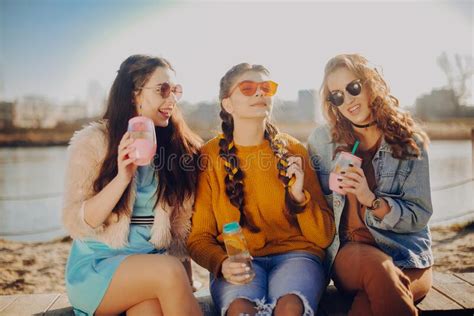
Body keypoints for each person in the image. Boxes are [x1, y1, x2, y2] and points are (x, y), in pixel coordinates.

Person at [187, 63, 335, 316]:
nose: (259, 93)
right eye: (247, 88)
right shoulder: (209, 157)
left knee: (290, 307)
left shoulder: (293, 151)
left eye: (266, 88)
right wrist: (221, 264)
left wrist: (299, 198)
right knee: (241, 310)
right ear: (228, 105)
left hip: (297, 256)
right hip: (237, 261)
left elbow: (323, 237)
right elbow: (198, 238)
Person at [62, 54, 203, 316]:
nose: (171, 99)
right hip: (97, 267)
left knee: (150, 309)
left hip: (150, 269)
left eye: (175, 90)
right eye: (163, 90)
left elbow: (179, 232)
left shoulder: (177, 148)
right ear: (133, 95)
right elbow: (78, 221)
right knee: (168, 270)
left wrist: (187, 280)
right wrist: (122, 178)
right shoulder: (94, 142)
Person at [308, 53, 433, 316]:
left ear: (370, 83)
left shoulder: (409, 142)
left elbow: (419, 215)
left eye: (353, 87)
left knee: (370, 302)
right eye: (337, 95)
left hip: (406, 254)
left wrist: (371, 200)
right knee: (381, 272)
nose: (348, 100)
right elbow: (316, 211)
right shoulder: (322, 140)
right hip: (353, 253)